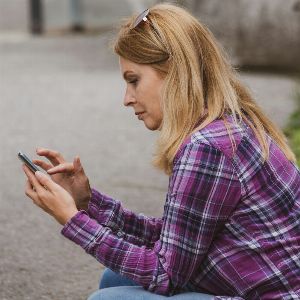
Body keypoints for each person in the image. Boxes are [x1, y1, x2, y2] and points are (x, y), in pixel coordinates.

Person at [22, 3, 300, 300]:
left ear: (173, 73)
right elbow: (174, 240)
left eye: (133, 80)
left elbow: (164, 274)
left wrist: (73, 221)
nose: (127, 99)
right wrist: (88, 202)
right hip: (255, 281)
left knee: (106, 299)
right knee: (112, 277)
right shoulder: (229, 122)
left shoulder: (207, 148)